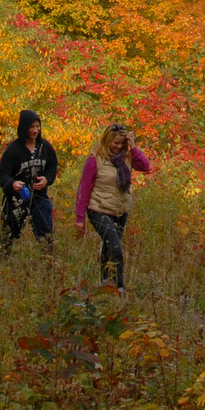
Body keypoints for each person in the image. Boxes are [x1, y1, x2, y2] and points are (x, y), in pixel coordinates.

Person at [74, 122, 151, 290]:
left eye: (121, 144)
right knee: (116, 248)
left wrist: (133, 146)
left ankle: (105, 286)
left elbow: (145, 166)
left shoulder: (127, 157)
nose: (118, 147)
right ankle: (119, 288)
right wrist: (80, 217)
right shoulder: (95, 159)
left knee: (109, 247)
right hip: (98, 209)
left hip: (120, 210)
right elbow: (84, 188)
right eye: (115, 143)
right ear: (107, 140)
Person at [0, 109, 58, 252]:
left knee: (46, 238)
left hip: (40, 198)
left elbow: (52, 167)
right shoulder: (13, 150)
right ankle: (3, 264)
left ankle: (48, 268)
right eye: (32, 127)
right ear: (24, 128)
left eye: (38, 126)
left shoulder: (45, 147)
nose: (35, 130)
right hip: (16, 200)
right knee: (8, 237)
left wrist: (47, 180)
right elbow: (2, 174)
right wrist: (12, 183)